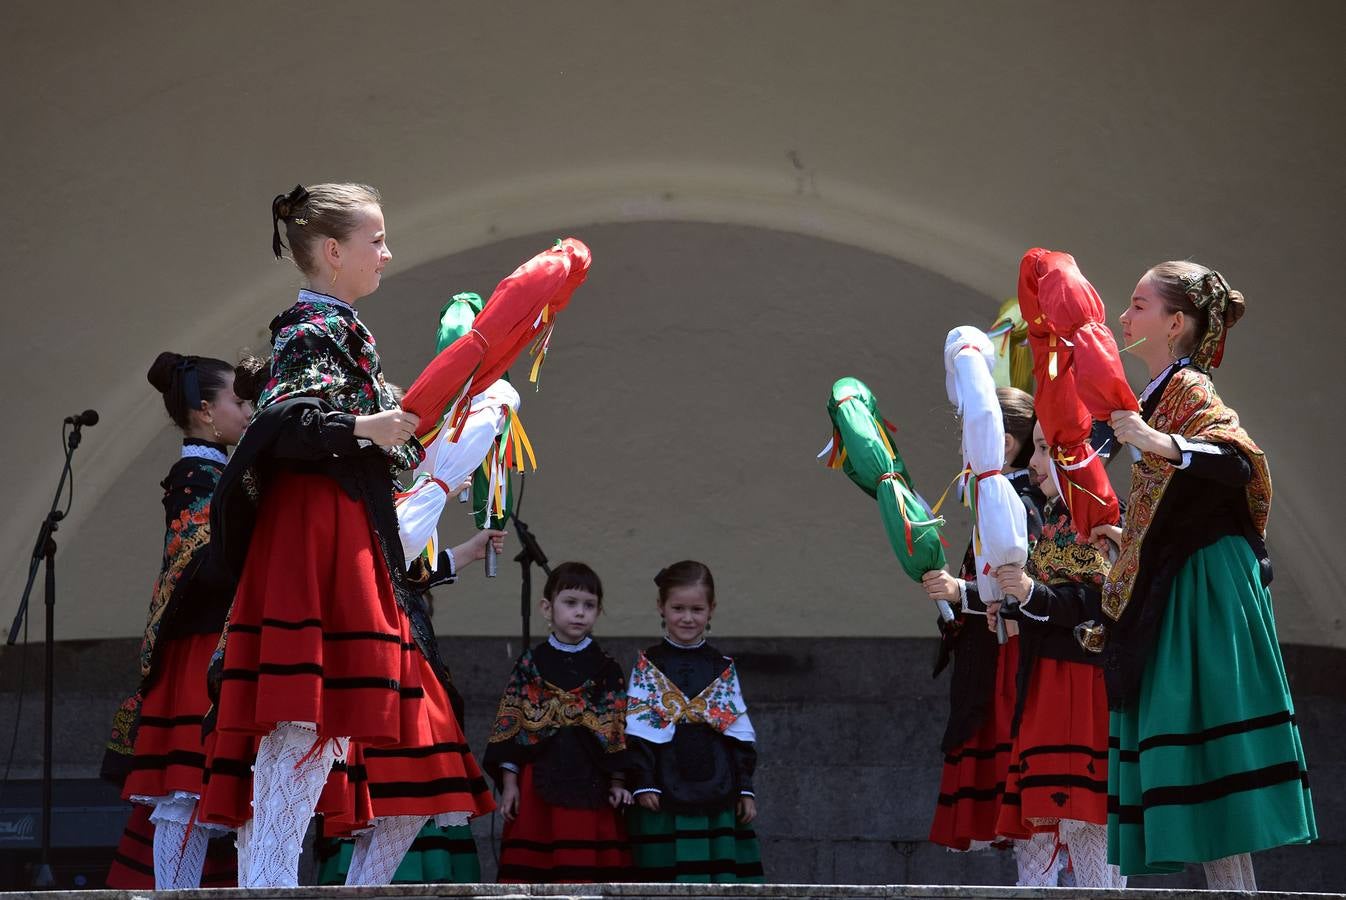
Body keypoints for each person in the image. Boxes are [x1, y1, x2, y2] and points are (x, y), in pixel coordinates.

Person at [197, 183, 494, 888]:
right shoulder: (308, 329)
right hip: (314, 535)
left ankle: (272, 878)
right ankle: (267, 880)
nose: (388, 253)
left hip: (341, 531)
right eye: (377, 240)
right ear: (334, 252)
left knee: (319, 715)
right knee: (302, 714)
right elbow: (282, 425)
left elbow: (382, 435)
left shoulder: (342, 330)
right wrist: (364, 428)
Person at [1100, 261, 1315, 887]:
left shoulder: (1190, 389)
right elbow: (1164, 503)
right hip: (1175, 580)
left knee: (1202, 739)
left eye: (1139, 305)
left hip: (1206, 585)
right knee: (1188, 747)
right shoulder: (1153, 393)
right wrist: (1126, 533)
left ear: (1175, 322)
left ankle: (1234, 888)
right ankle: (1231, 887)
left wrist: (1156, 441)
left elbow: (1238, 464)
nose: (1124, 316)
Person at [102, 352, 254, 889]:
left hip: (217, 645)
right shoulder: (195, 474)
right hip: (200, 652)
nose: (246, 409)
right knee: (185, 792)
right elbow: (199, 558)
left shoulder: (220, 470)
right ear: (207, 412)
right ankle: (175, 893)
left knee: (215, 792)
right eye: (238, 400)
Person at [987, 422, 1123, 887]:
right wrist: (1011, 605)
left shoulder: (1101, 517)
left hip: (1082, 687)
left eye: (1045, 449)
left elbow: (1098, 607)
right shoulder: (1051, 518)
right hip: (1048, 683)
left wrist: (1030, 595)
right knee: (1044, 822)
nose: (1032, 460)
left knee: (1089, 822)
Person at [922, 387, 1045, 860]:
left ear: (1006, 443)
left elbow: (1021, 584)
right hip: (985, 657)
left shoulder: (1020, 499)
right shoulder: (1000, 494)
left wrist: (961, 592)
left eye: (969, 436)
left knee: (1022, 809)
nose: (961, 450)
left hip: (1007, 664)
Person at [483, 562, 633, 882]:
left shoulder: (606, 667)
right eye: (570, 602)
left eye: (589, 605)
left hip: (592, 780)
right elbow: (511, 720)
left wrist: (619, 782)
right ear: (546, 608)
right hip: (536, 782)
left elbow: (616, 727)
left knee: (586, 872)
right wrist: (509, 785)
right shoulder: (530, 663)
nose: (580, 612)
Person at [625, 561, 763, 883]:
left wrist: (744, 788)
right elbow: (639, 731)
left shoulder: (721, 667)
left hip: (716, 783)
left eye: (697, 609)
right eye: (678, 608)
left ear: (711, 609)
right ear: (661, 606)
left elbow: (737, 734)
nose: (688, 618)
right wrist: (643, 780)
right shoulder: (649, 665)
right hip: (663, 787)